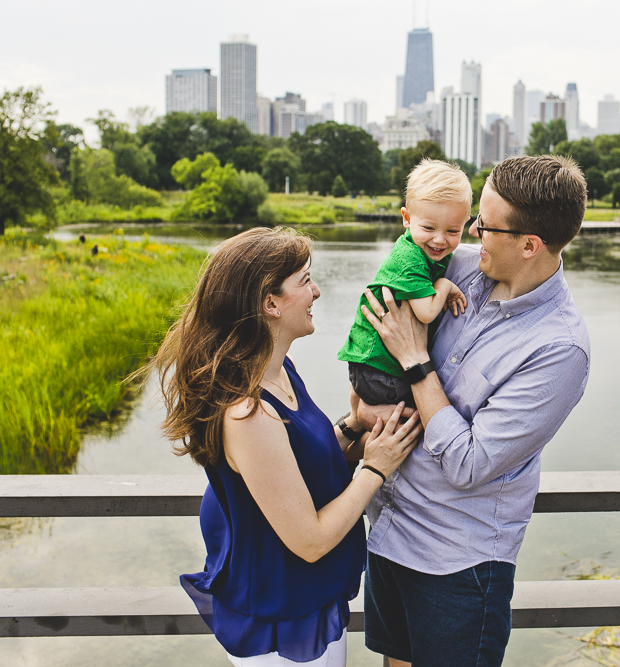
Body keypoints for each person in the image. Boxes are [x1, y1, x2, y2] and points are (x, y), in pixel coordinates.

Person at [145, 227, 423, 666]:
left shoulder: (278, 370)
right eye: (304, 281)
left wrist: (352, 427)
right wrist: (376, 468)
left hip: (310, 598)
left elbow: (294, 471)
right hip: (281, 625)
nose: (315, 291)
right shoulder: (247, 413)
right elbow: (309, 540)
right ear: (269, 303)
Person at [353, 155, 591, 667]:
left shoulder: (558, 350)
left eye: (483, 226)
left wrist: (416, 362)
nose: (470, 234)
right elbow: (376, 328)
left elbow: (469, 464)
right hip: (390, 533)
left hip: (457, 565)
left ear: (529, 245)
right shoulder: (456, 268)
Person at [337, 160, 469, 408]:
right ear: (407, 219)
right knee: (433, 411)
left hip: (378, 367)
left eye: (453, 231)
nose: (439, 240)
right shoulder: (409, 259)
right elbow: (427, 313)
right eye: (429, 227)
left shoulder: (427, 249)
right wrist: (444, 285)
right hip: (376, 371)